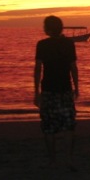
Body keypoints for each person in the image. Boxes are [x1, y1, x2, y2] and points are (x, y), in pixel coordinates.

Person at [33, 15, 79, 169]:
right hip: (65, 89)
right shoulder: (68, 44)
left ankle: (53, 160)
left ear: (49, 28)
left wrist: (36, 92)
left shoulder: (42, 45)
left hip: (49, 91)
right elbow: (73, 67)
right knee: (68, 125)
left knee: (49, 126)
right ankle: (69, 159)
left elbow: (38, 69)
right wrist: (76, 87)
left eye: (45, 26)